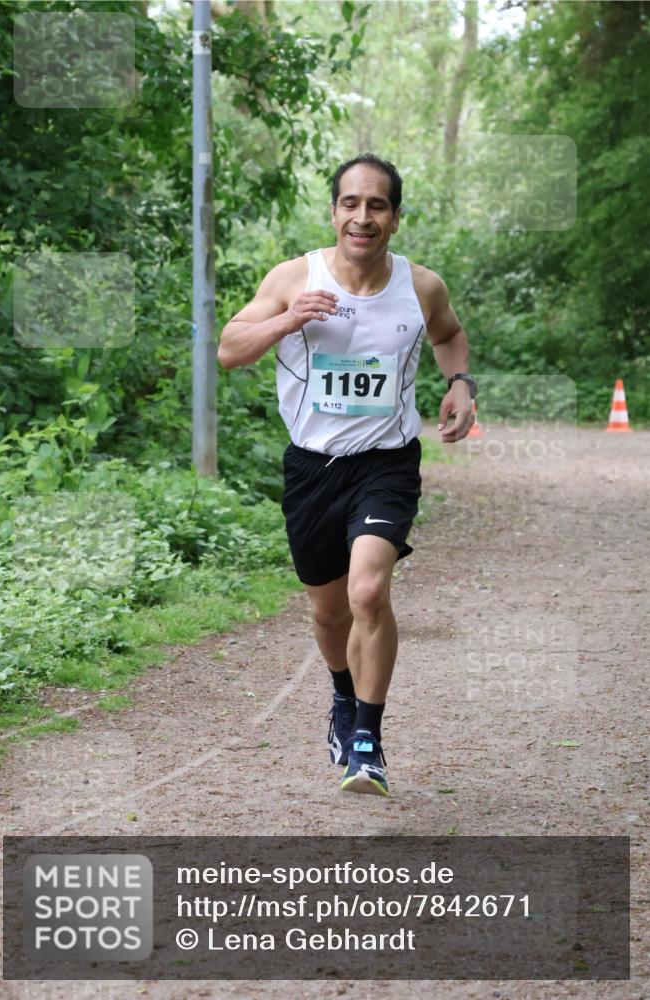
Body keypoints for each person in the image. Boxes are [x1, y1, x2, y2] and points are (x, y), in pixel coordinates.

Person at [218, 153, 475, 797]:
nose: (363, 217)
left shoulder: (421, 287)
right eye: (351, 204)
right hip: (311, 467)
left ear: (395, 217)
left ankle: (368, 740)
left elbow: (450, 334)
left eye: (378, 205)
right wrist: (289, 318)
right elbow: (229, 351)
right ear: (334, 211)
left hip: (386, 464)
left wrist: (461, 383)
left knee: (367, 594)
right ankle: (340, 697)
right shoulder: (292, 277)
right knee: (329, 612)